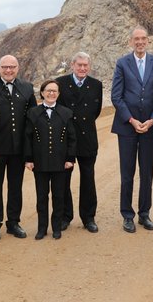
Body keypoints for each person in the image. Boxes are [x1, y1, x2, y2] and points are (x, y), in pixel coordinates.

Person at [111, 25, 153, 233]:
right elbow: (117, 96)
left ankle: (144, 214)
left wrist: (152, 120)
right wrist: (132, 120)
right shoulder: (122, 63)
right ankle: (127, 215)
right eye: (136, 39)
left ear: (148, 41)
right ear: (131, 41)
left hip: (150, 128)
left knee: (147, 173)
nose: (140, 42)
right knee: (127, 173)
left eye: (143, 39)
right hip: (127, 128)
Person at [0, 55, 37, 242]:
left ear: (18, 68)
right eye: (5, 67)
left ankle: (13, 223)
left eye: (12, 67)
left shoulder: (27, 89)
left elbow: (32, 120)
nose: (8, 70)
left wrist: (30, 148)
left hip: (18, 149)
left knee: (15, 186)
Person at [56, 52, 102, 233]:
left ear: (89, 66)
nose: (82, 68)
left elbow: (95, 111)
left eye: (85, 65)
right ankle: (65, 216)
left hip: (88, 138)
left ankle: (88, 217)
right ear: (72, 65)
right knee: (64, 179)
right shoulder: (60, 83)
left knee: (88, 179)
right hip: (66, 139)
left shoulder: (96, 85)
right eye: (79, 65)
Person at [25, 80, 76, 240]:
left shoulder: (66, 113)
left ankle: (56, 227)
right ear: (42, 93)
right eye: (48, 90)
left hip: (60, 162)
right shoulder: (33, 113)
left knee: (59, 196)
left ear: (59, 94)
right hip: (39, 162)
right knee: (41, 197)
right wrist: (28, 159)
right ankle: (42, 228)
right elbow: (27, 138)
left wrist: (70, 159)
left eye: (54, 91)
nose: (51, 93)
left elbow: (72, 138)